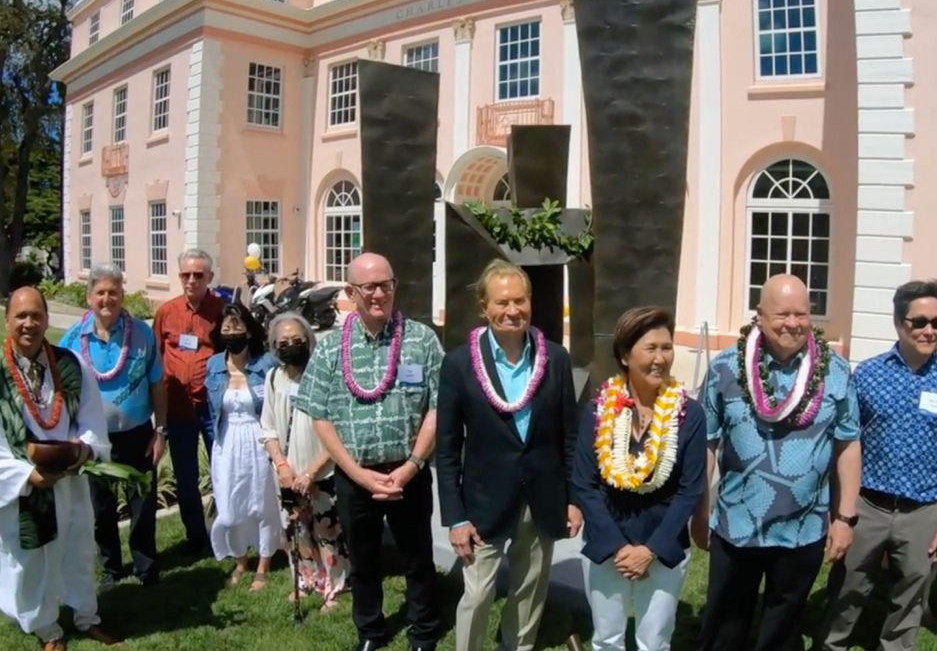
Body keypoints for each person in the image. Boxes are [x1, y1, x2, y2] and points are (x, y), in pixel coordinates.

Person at [693, 275, 861, 651]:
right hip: (737, 523)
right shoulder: (724, 369)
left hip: (804, 527)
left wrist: (845, 518)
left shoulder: (834, 370)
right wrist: (700, 510)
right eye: (782, 313)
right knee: (726, 625)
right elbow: (706, 443)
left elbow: (848, 444)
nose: (793, 322)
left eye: (801, 313)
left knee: (783, 626)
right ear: (759, 317)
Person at [0, 286, 120, 650]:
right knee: (30, 561)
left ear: (47, 319)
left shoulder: (69, 365)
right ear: (6, 320)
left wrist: (84, 451)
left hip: (69, 484)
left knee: (77, 548)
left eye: (36, 315)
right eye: (21, 316)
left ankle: (87, 616)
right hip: (23, 489)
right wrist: (26, 475)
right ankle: (47, 629)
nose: (29, 323)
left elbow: (90, 417)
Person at [819, 280, 937, 651]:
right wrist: (839, 513)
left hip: (924, 513)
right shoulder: (868, 374)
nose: (929, 331)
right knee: (846, 593)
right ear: (898, 323)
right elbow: (846, 444)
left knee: (909, 604)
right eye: (919, 321)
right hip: (867, 507)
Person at [296, 252, 445, 651]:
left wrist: (413, 465)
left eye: (386, 285)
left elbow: (437, 405)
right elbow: (320, 416)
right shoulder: (330, 350)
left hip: (408, 473)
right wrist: (356, 473)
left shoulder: (422, 339)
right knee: (363, 562)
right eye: (369, 287)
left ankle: (423, 631)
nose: (379, 294)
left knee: (418, 558)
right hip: (354, 475)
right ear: (351, 293)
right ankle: (370, 631)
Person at [435, 260, 582, 651]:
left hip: (542, 496)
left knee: (529, 590)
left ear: (531, 302)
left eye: (520, 300)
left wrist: (574, 500)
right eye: (502, 302)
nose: (512, 310)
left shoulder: (556, 358)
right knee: (478, 594)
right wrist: (455, 517)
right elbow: (447, 449)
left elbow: (570, 437)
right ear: (484, 307)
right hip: (482, 504)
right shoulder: (459, 364)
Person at [570, 307, 705, 651]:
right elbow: (585, 484)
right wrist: (619, 547)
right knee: (607, 639)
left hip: (664, 544)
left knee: (654, 641)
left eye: (667, 347)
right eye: (651, 348)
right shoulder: (598, 411)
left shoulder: (690, 415)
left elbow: (691, 490)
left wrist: (650, 550)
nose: (662, 358)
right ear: (625, 355)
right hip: (607, 544)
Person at [59, 263, 167, 588]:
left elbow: (158, 385)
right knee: (100, 508)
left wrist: (160, 431)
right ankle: (111, 569)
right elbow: (61, 393)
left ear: (122, 295)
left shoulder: (142, 334)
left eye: (114, 292)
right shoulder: (71, 341)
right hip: (94, 439)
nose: (107, 299)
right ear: (89, 297)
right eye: (101, 292)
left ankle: (146, 566)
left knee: (143, 504)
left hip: (138, 435)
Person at [259, 312, 350, 612]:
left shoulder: (325, 377)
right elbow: (269, 428)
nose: (290, 345)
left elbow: (338, 428)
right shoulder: (274, 379)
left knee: (327, 532)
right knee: (296, 532)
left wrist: (312, 471)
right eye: (283, 341)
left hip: (323, 470)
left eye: (297, 339)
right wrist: (283, 467)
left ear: (309, 341)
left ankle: (334, 587)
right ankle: (305, 581)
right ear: (273, 345)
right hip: (287, 474)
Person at [205, 302, 281, 589]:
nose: (232, 333)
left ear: (249, 332)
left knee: (261, 503)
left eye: (237, 328)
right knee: (230, 505)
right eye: (227, 328)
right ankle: (239, 559)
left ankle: (263, 562)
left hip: (258, 440)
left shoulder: (266, 364)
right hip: (227, 442)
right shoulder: (213, 366)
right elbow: (211, 411)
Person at [152, 248, 224, 554]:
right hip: (178, 409)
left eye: (198, 275)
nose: (191, 280)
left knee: (222, 472)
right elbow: (155, 356)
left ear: (210, 276)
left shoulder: (221, 309)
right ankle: (196, 537)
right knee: (186, 476)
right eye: (186, 275)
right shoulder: (167, 312)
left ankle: (225, 530)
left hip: (212, 408)